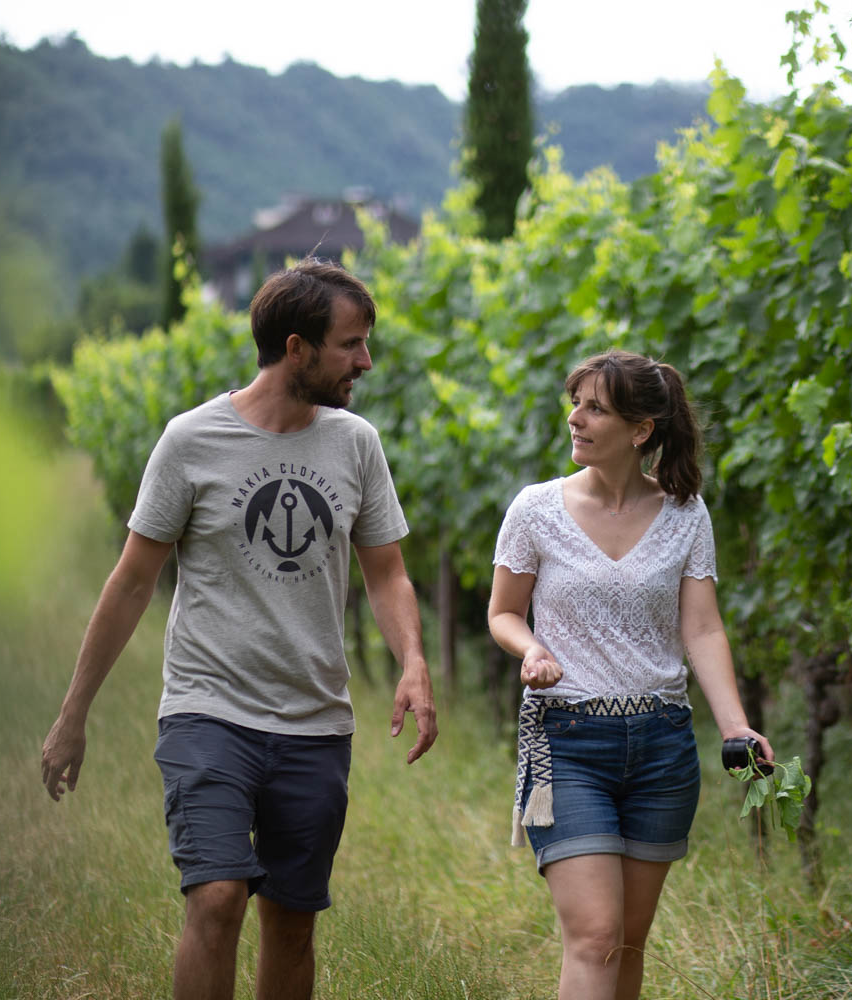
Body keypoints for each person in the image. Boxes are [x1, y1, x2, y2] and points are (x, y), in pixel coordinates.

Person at [40, 258, 437, 1000]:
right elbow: (132, 581)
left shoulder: (356, 444)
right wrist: (73, 715)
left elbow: (387, 573)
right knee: (217, 898)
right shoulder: (192, 441)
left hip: (316, 720)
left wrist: (413, 661)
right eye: (351, 344)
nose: (366, 361)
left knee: (291, 920)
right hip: (208, 709)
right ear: (297, 349)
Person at [488, 349, 772, 1000]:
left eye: (595, 408)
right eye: (575, 403)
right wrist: (529, 647)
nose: (575, 419)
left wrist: (737, 726)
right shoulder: (535, 510)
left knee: (627, 944)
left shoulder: (685, 514)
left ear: (641, 430)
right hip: (568, 743)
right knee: (594, 936)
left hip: (662, 748)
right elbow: (503, 612)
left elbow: (702, 628)